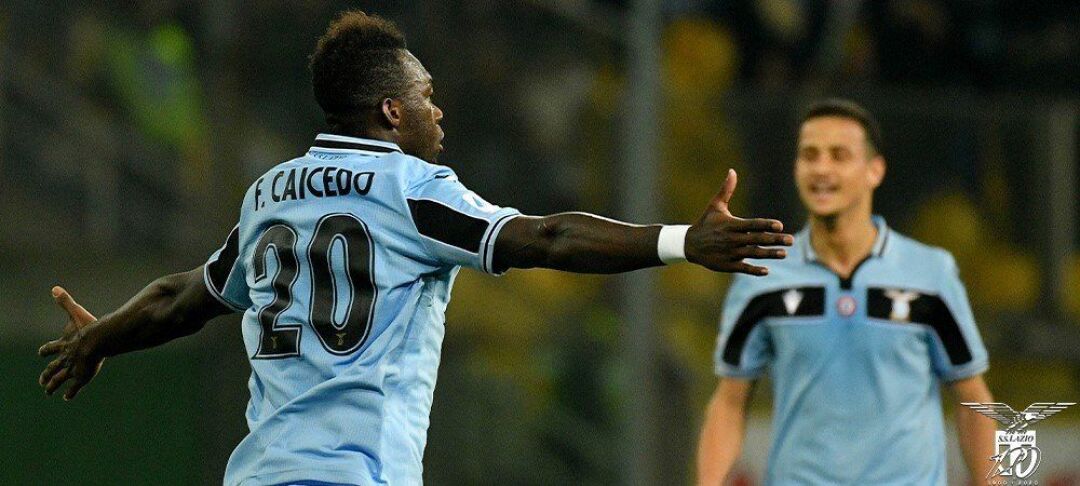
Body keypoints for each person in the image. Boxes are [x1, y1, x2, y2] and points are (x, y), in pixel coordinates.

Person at [37, 11, 793, 486]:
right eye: (426, 96)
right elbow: (546, 236)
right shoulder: (409, 189)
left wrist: (103, 336)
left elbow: (186, 295)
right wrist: (680, 241)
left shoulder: (269, 194)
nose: (439, 109)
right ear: (392, 110)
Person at [695, 99, 997, 485]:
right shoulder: (762, 276)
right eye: (810, 155)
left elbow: (973, 399)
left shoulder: (930, 273)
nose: (821, 168)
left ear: (875, 170)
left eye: (839, 156)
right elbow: (730, 402)